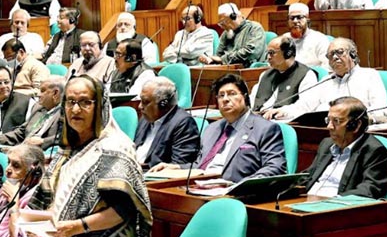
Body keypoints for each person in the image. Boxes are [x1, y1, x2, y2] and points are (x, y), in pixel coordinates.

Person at [29, 75, 151, 237]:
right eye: (71, 102)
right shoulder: (66, 150)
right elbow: (59, 203)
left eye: (85, 102)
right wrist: (25, 218)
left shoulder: (114, 148)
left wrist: (77, 227)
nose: (76, 110)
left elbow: (125, 209)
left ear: (100, 106)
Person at [151, 74, 287, 182]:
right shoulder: (212, 129)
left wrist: (241, 185)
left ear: (245, 97)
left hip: (235, 192)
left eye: (232, 93)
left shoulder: (265, 129)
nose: (225, 99)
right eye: (221, 95)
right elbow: (200, 165)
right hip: (201, 185)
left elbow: (275, 168)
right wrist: (176, 168)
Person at [270, 37, 387, 120]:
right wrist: (284, 111)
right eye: (331, 55)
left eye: (340, 52)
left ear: (353, 54)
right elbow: (305, 105)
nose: (335, 57)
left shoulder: (369, 76)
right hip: (325, 129)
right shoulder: (326, 80)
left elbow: (380, 107)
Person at [301, 97, 387, 199]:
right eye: (328, 120)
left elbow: (370, 189)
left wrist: (331, 200)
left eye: (337, 121)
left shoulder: (373, 150)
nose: (329, 126)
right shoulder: (326, 144)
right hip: (307, 200)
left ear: (356, 125)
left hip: (337, 208)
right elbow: (308, 176)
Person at [134, 77, 199, 168]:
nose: (140, 106)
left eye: (145, 102)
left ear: (163, 104)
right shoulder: (145, 119)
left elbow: (179, 165)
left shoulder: (183, 123)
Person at [250, 36, 318, 120]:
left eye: (271, 53)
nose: (268, 57)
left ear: (288, 53)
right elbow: (253, 99)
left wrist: (283, 111)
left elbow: (307, 105)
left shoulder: (306, 75)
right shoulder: (265, 75)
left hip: (282, 121)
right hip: (257, 119)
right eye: (267, 53)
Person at [0, 76, 64, 150]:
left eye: (42, 91)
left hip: (43, 153)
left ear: (55, 93)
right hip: (22, 150)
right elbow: (21, 132)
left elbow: (68, 138)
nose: (38, 94)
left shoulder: (65, 113)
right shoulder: (38, 108)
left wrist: (43, 141)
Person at [199, 3, 265, 67]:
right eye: (220, 23)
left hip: (248, 70)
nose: (222, 26)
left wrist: (223, 59)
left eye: (224, 22)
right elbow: (218, 55)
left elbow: (250, 53)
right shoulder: (227, 32)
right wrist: (210, 59)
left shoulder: (254, 28)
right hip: (229, 69)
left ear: (234, 16)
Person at [281, 2, 330, 69]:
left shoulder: (319, 39)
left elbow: (327, 65)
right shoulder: (284, 39)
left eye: (299, 17)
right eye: (291, 18)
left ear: (307, 20)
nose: (295, 21)